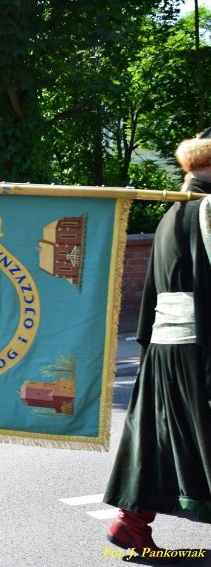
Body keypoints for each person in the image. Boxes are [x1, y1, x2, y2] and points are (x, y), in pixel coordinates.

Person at [103, 130, 211, 558]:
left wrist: (149, 346)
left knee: (157, 436)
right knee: (195, 438)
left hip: (166, 344)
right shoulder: (206, 210)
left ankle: (131, 524)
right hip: (199, 341)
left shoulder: (174, 212)